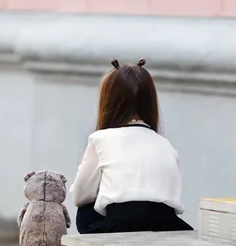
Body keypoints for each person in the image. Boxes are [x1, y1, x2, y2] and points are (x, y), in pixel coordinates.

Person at [70, 58, 193, 234]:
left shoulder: (100, 139)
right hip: (168, 225)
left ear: (108, 102)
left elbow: (80, 197)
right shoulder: (165, 145)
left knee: (85, 211)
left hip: (118, 226)